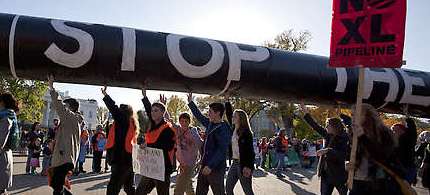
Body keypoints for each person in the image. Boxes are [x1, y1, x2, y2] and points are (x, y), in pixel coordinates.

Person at [349, 104, 404, 195]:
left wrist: (363, 137)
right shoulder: (353, 133)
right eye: (352, 114)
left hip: (377, 182)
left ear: (368, 116)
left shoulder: (384, 133)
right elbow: (353, 154)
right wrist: (349, 163)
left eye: (357, 114)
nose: (353, 117)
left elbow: (381, 157)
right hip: (357, 181)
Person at [299, 102, 349, 195]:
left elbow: (342, 155)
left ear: (335, 127)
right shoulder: (328, 135)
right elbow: (315, 126)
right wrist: (304, 110)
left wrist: (327, 150)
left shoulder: (344, 137)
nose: (326, 127)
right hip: (326, 174)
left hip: (339, 174)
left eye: (328, 125)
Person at [187, 92, 232, 195]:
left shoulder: (224, 129)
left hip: (215, 168)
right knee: (200, 192)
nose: (208, 114)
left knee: (218, 192)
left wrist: (210, 166)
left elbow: (221, 151)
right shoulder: (210, 123)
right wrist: (190, 103)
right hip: (204, 165)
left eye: (210, 111)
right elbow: (199, 116)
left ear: (218, 113)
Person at [47, 76, 84, 195]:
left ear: (70, 108)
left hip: (64, 157)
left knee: (56, 186)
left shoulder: (70, 117)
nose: (64, 108)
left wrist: (51, 87)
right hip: (67, 157)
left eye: (66, 106)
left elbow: (59, 105)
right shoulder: (74, 120)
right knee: (56, 185)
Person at [136, 89, 176, 195]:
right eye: (152, 111)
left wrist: (147, 145)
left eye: (156, 111)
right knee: (139, 192)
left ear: (163, 113)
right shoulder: (153, 125)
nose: (152, 113)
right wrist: (144, 97)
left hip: (162, 169)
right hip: (151, 167)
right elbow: (149, 109)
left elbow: (165, 146)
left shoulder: (168, 129)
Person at [101, 86, 137, 195]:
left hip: (121, 159)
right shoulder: (131, 122)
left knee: (113, 187)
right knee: (128, 187)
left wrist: (106, 95)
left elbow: (113, 108)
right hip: (128, 159)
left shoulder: (122, 119)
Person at [225, 109, 255, 195]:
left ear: (240, 119)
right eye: (233, 116)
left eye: (235, 116)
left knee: (247, 190)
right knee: (228, 188)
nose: (232, 117)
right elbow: (229, 114)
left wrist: (248, 166)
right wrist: (227, 101)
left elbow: (250, 152)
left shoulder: (246, 133)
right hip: (234, 163)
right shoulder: (233, 129)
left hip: (244, 164)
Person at [173, 112, 203, 195]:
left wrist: (201, 160)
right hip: (182, 163)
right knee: (188, 187)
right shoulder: (178, 130)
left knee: (178, 190)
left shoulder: (193, 131)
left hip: (189, 164)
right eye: (182, 121)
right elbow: (168, 120)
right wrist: (164, 106)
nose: (184, 123)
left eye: (186, 121)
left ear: (189, 122)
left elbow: (200, 144)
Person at [391, 106, 418, 184]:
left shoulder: (408, 140)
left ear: (403, 131)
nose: (393, 132)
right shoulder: (391, 143)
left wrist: (407, 115)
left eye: (395, 130)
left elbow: (412, 129)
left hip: (407, 169)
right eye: (392, 130)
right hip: (394, 170)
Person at [0, 93, 19, 195]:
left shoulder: (6, 116)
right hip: (5, 153)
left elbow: (1, 139)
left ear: (2, 102)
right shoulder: (9, 114)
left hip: (2, 155)